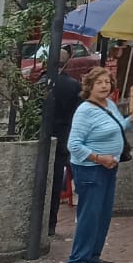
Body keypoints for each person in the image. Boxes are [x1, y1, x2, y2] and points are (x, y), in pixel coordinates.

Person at [64, 67, 133, 263]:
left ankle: (92, 255)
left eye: (107, 82)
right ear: (89, 86)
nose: (105, 86)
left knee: (103, 214)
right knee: (89, 213)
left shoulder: (110, 105)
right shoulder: (85, 111)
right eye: (99, 83)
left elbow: (121, 127)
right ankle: (75, 260)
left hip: (109, 167)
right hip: (91, 169)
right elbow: (74, 144)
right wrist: (99, 158)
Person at [47, 62, 84, 237]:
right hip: (64, 136)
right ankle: (50, 224)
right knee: (55, 181)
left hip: (44, 137)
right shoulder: (73, 85)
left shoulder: (42, 83)